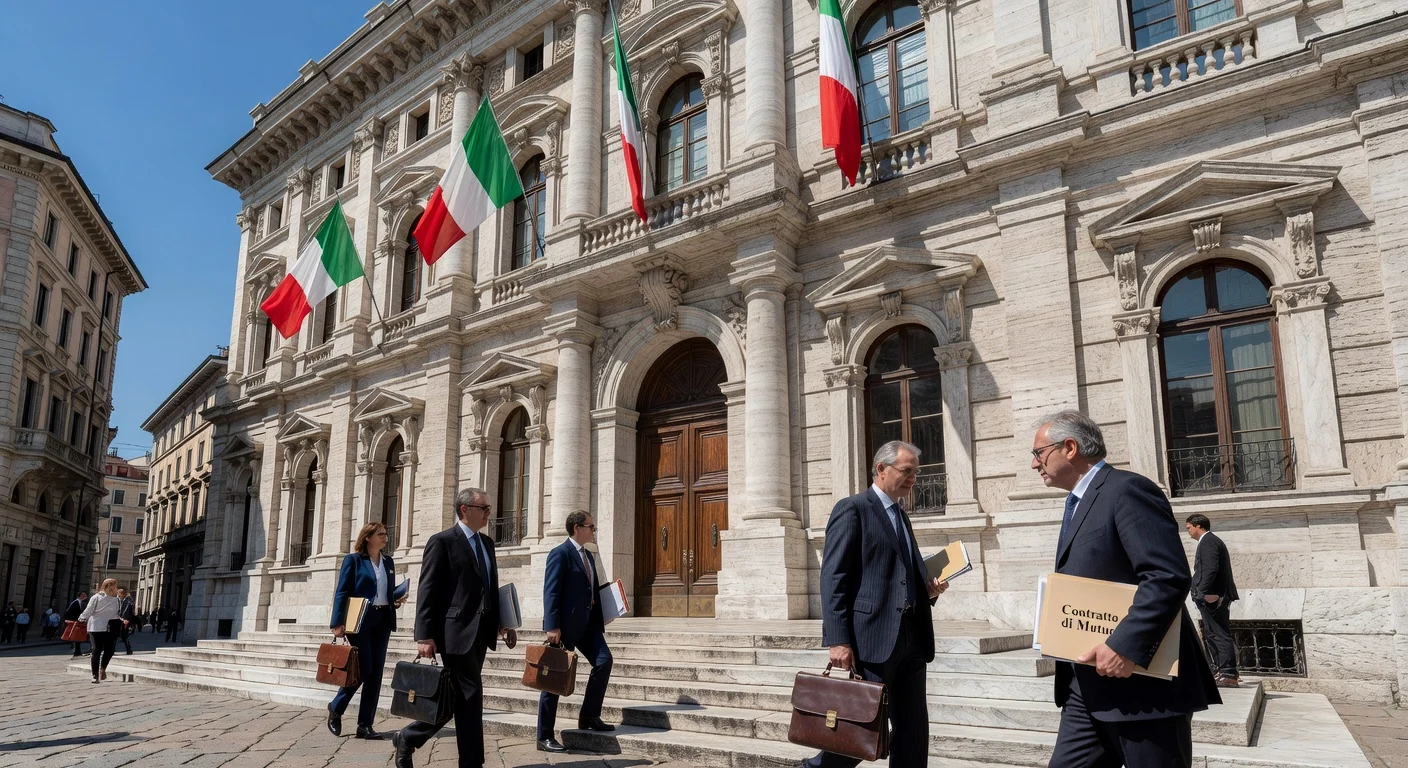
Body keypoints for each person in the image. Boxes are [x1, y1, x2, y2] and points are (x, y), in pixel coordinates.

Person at [1031, 410, 1219, 768]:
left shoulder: (1128, 490)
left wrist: (1124, 645)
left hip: (1141, 690)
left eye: (1039, 453)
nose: (1035, 464)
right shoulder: (1078, 502)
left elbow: (1167, 576)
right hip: (1085, 685)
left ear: (1069, 447)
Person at [802, 440, 950, 768]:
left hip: (912, 639)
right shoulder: (852, 508)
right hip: (873, 641)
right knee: (859, 729)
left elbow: (899, 576)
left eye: (916, 472)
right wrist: (838, 640)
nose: (914, 478)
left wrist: (928, 591)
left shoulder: (901, 515)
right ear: (881, 469)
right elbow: (833, 578)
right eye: (907, 471)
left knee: (913, 731)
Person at [392, 487, 516, 768]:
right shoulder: (442, 541)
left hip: (481, 632)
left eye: (488, 508)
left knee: (459, 698)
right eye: (483, 508)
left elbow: (489, 587)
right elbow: (428, 590)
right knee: (471, 696)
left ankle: (409, 737)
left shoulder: (487, 544)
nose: (488, 513)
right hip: (454, 633)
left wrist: (501, 621)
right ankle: (471, 763)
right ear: (465, 510)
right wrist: (424, 635)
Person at [536, 510, 615, 753]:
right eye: (591, 527)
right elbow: (551, 591)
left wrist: (609, 608)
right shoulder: (560, 554)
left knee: (604, 661)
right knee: (554, 679)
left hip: (588, 624)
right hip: (565, 627)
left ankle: (589, 716)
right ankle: (544, 735)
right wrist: (552, 626)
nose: (593, 531)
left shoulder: (588, 555)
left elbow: (590, 589)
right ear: (577, 528)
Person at [327, 522, 406, 740]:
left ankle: (365, 725)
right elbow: (342, 591)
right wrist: (337, 623)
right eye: (380, 534)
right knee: (365, 668)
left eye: (385, 533)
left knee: (376, 673)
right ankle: (336, 706)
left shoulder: (388, 562)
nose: (385, 537)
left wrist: (395, 599)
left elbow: (385, 591)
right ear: (368, 537)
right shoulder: (353, 560)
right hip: (360, 620)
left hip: (383, 619)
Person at [1186, 514, 1240, 688]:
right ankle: (1220, 671)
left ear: (1198, 525)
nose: (1187, 531)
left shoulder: (1208, 541)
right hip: (1211, 596)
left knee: (1218, 633)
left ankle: (1228, 673)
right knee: (1211, 634)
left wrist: (1200, 591)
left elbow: (1210, 569)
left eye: (1189, 527)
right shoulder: (1209, 541)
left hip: (1213, 597)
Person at [79, 579, 128, 683]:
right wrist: (81, 618)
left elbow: (116, 613)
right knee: (96, 650)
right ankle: (95, 675)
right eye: (115, 586)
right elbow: (89, 611)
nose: (116, 588)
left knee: (110, 650)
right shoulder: (96, 597)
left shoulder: (116, 600)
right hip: (96, 627)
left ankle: (103, 668)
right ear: (108, 586)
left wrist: (122, 620)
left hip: (111, 627)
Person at [63, 592, 89, 657]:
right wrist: (74, 620)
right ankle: (77, 652)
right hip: (75, 622)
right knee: (76, 637)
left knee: (78, 637)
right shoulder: (76, 602)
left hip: (77, 622)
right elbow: (68, 612)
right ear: (80, 596)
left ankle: (77, 652)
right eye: (84, 595)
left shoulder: (80, 602)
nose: (86, 596)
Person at [116, 589, 136, 654]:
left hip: (124, 621)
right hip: (118, 621)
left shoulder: (127, 603)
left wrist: (126, 620)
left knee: (124, 636)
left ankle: (129, 649)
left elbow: (128, 613)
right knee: (117, 636)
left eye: (119, 594)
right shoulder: (117, 601)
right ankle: (128, 650)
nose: (118, 596)